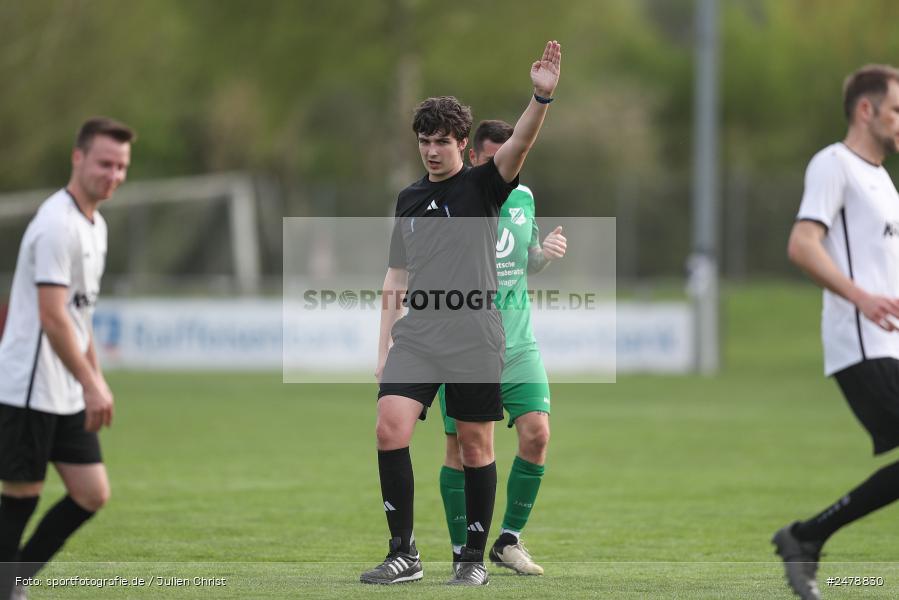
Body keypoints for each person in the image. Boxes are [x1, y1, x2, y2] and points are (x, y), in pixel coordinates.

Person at [360, 41, 561, 586]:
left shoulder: (484, 185)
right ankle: (403, 553)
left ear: (461, 144)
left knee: (474, 446)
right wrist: (383, 348)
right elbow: (395, 278)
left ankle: (472, 560)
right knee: (389, 427)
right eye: (424, 141)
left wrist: (540, 97)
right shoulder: (408, 199)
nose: (431, 151)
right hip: (419, 335)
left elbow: (519, 143)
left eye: (441, 142)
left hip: (475, 334)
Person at [774, 64, 899, 600]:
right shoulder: (835, 164)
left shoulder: (883, 181)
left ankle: (807, 536)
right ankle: (806, 536)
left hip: (890, 345)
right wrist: (861, 298)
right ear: (866, 110)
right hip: (862, 346)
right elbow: (803, 244)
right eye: (897, 110)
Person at [0, 117, 133, 600]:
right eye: (104, 163)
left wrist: (95, 378)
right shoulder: (56, 224)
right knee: (22, 496)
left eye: (121, 166)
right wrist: (91, 383)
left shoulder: (95, 225)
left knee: (91, 493)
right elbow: (52, 317)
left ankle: (11, 581)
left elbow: (79, 316)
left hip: (66, 388)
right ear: (78, 158)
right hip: (29, 387)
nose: (113, 175)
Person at [437, 119, 566, 576]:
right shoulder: (455, 201)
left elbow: (526, 261)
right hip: (466, 346)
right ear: (473, 157)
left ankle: (508, 540)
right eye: (492, 160)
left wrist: (544, 254)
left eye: (511, 158)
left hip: (518, 344)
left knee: (538, 433)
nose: (503, 168)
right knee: (460, 450)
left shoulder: (524, 197)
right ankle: (463, 552)